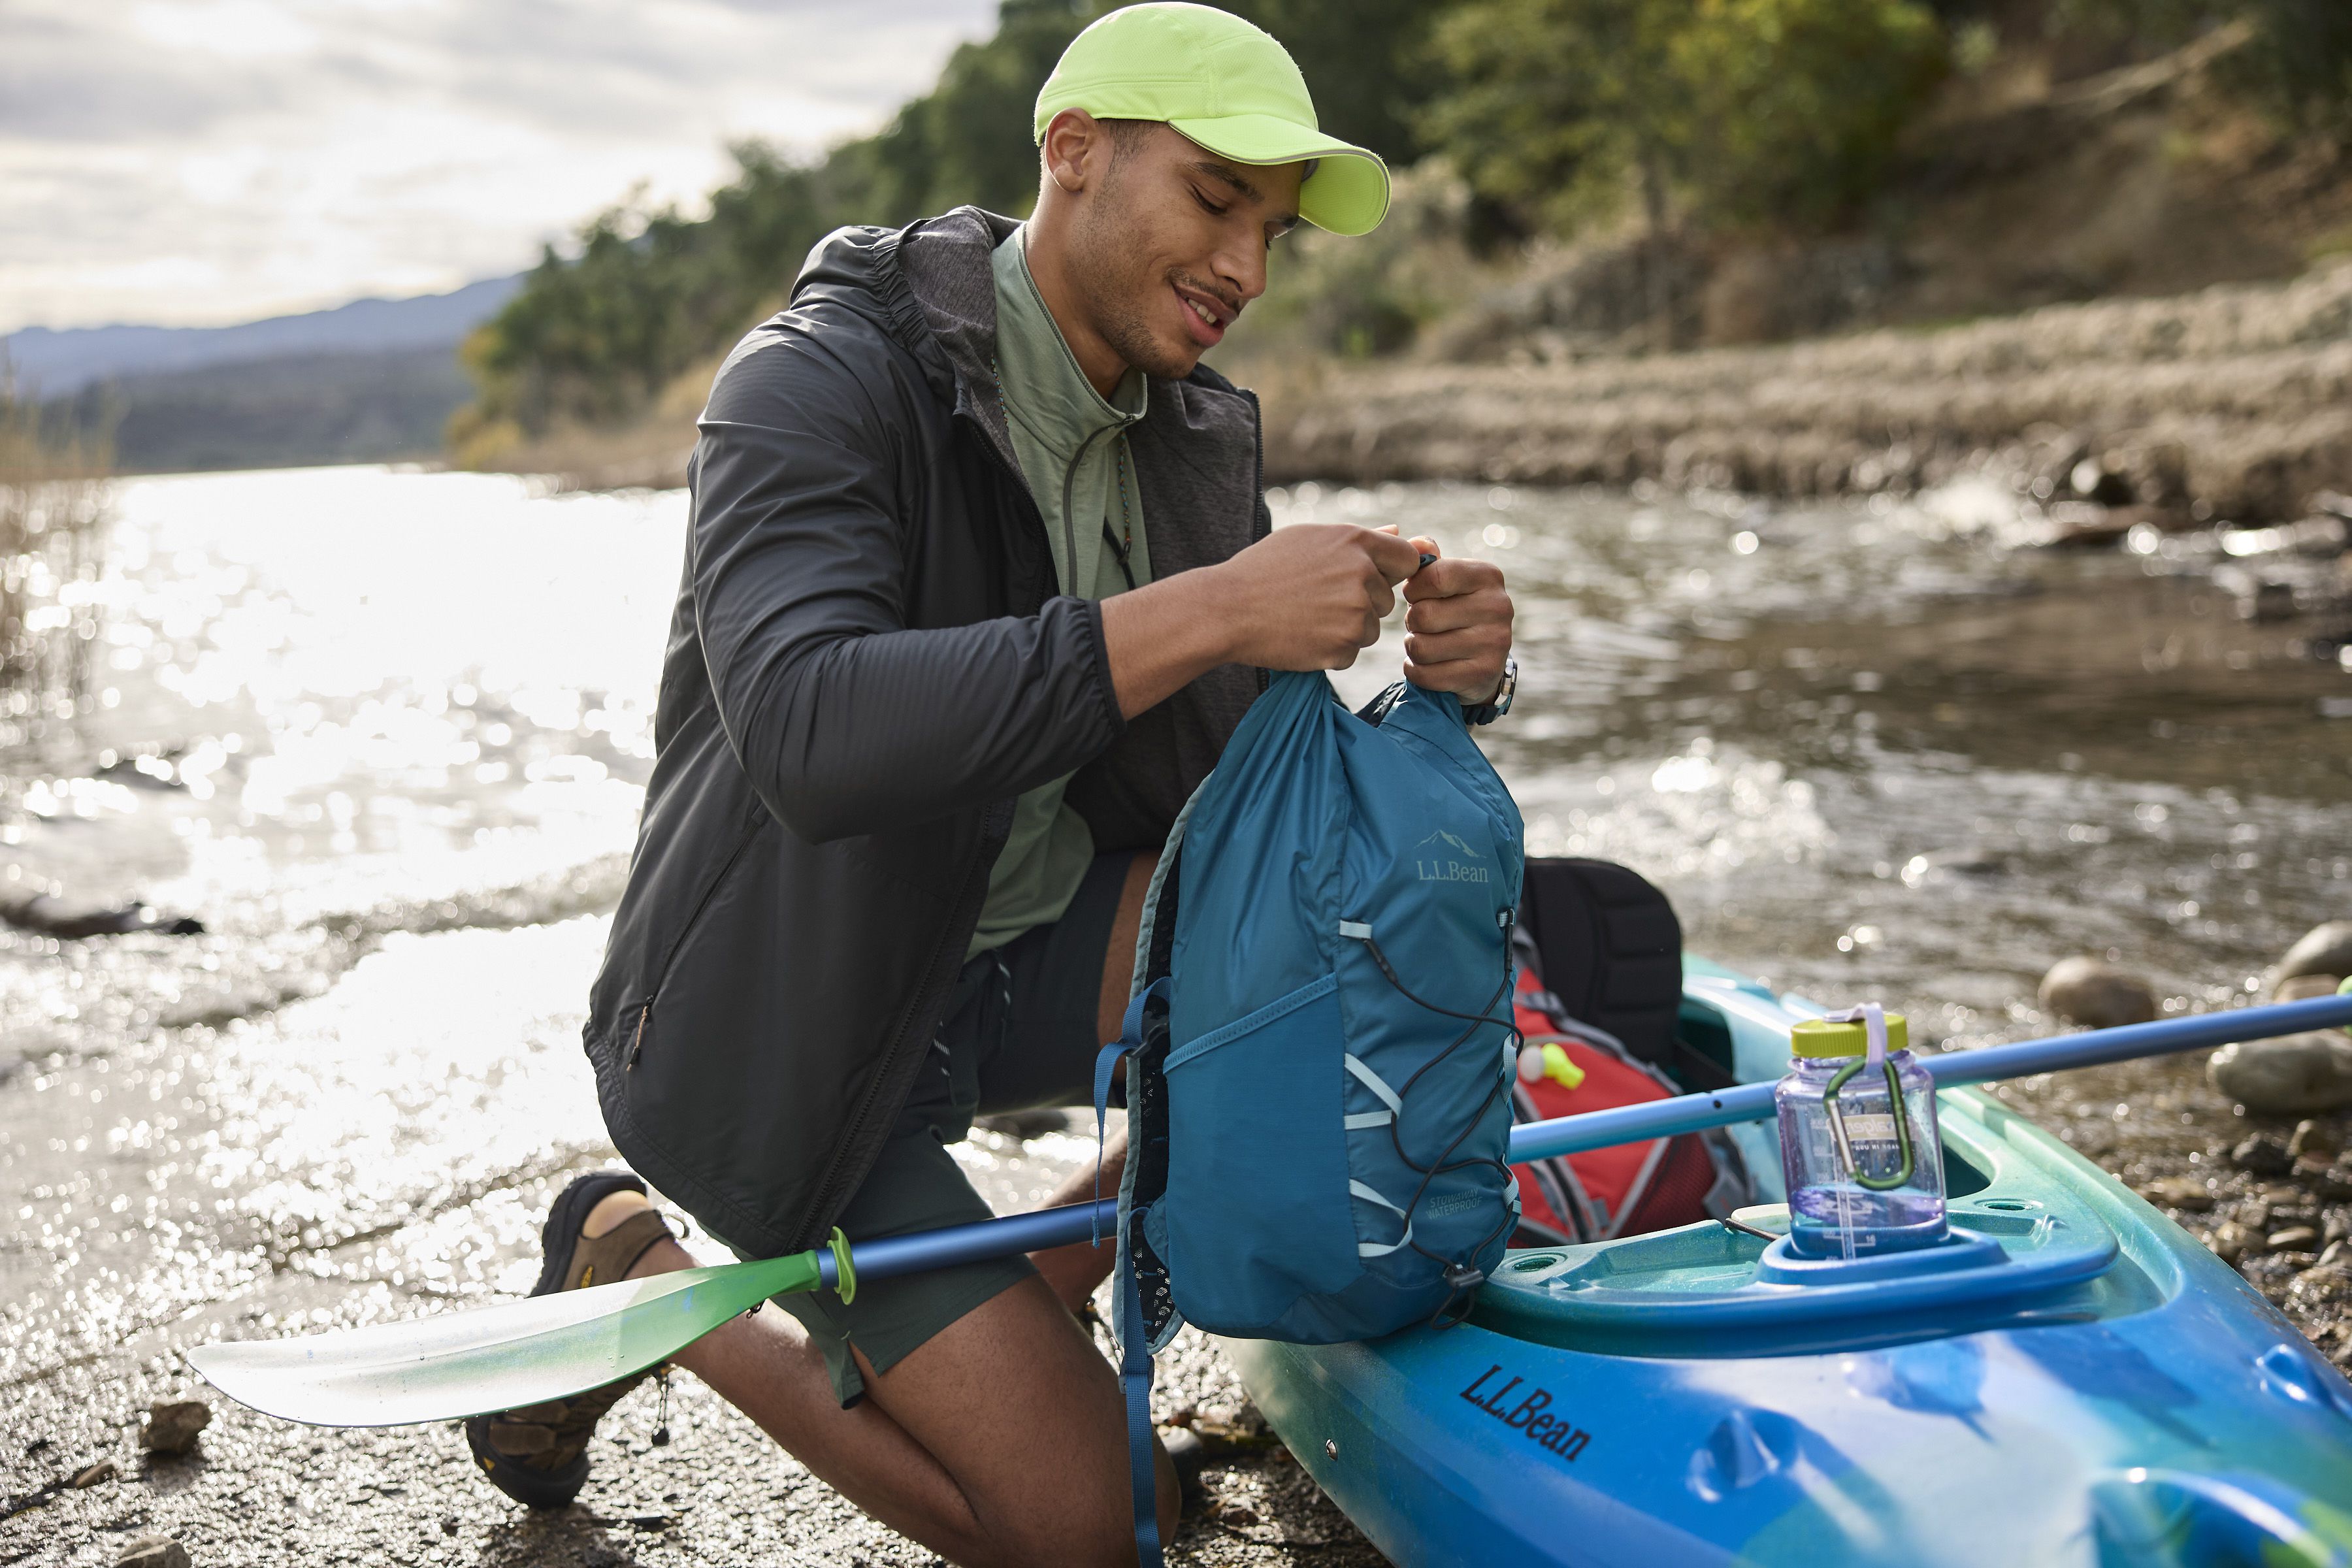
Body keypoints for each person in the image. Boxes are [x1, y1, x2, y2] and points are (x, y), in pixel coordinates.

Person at [461, 5, 1516, 1563]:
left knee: (1340, 928)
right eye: (1217, 202)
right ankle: (643, 1284)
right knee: (1095, 1525)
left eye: (1275, 233)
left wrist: (1450, 688)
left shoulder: (1190, 429)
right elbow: (813, 733)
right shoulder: (811, 384)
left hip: (1013, 952)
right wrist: (1219, 606)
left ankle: (1027, 1279)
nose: (1248, 268)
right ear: (1072, 154)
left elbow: (1247, 801)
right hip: (792, 1033)